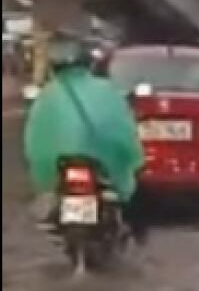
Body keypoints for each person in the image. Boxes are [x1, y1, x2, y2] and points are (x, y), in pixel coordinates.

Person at [22, 29, 147, 241]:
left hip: (62, 166)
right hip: (97, 166)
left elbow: (34, 138)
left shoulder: (48, 95)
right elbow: (123, 134)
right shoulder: (105, 91)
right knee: (134, 200)